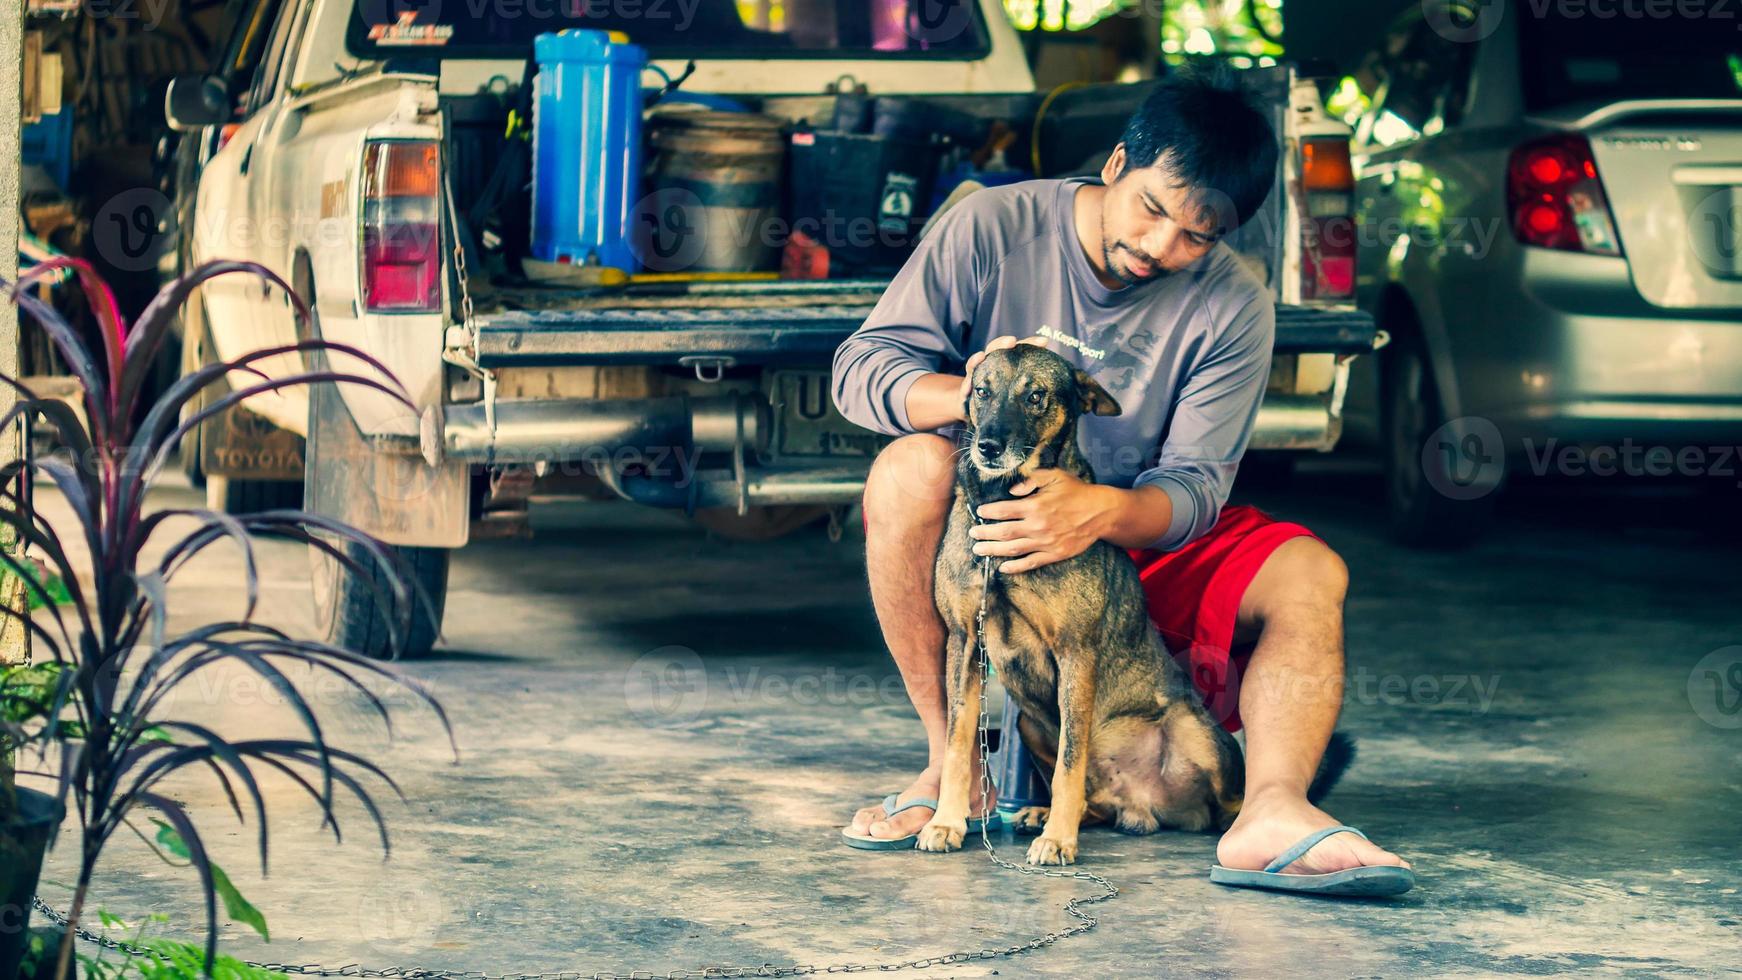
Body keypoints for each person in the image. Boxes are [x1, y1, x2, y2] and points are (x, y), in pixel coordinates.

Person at [829, 67, 1412, 892]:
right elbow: (859, 370)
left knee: (1312, 570)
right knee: (908, 469)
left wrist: (1097, 511)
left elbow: (1196, 485)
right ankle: (951, 772)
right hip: (1001, 531)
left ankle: (1269, 807)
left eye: (1197, 236)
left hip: (1132, 535)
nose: (1160, 247)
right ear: (1114, 166)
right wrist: (972, 398)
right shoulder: (992, 227)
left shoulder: (1235, 305)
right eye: (1152, 208)